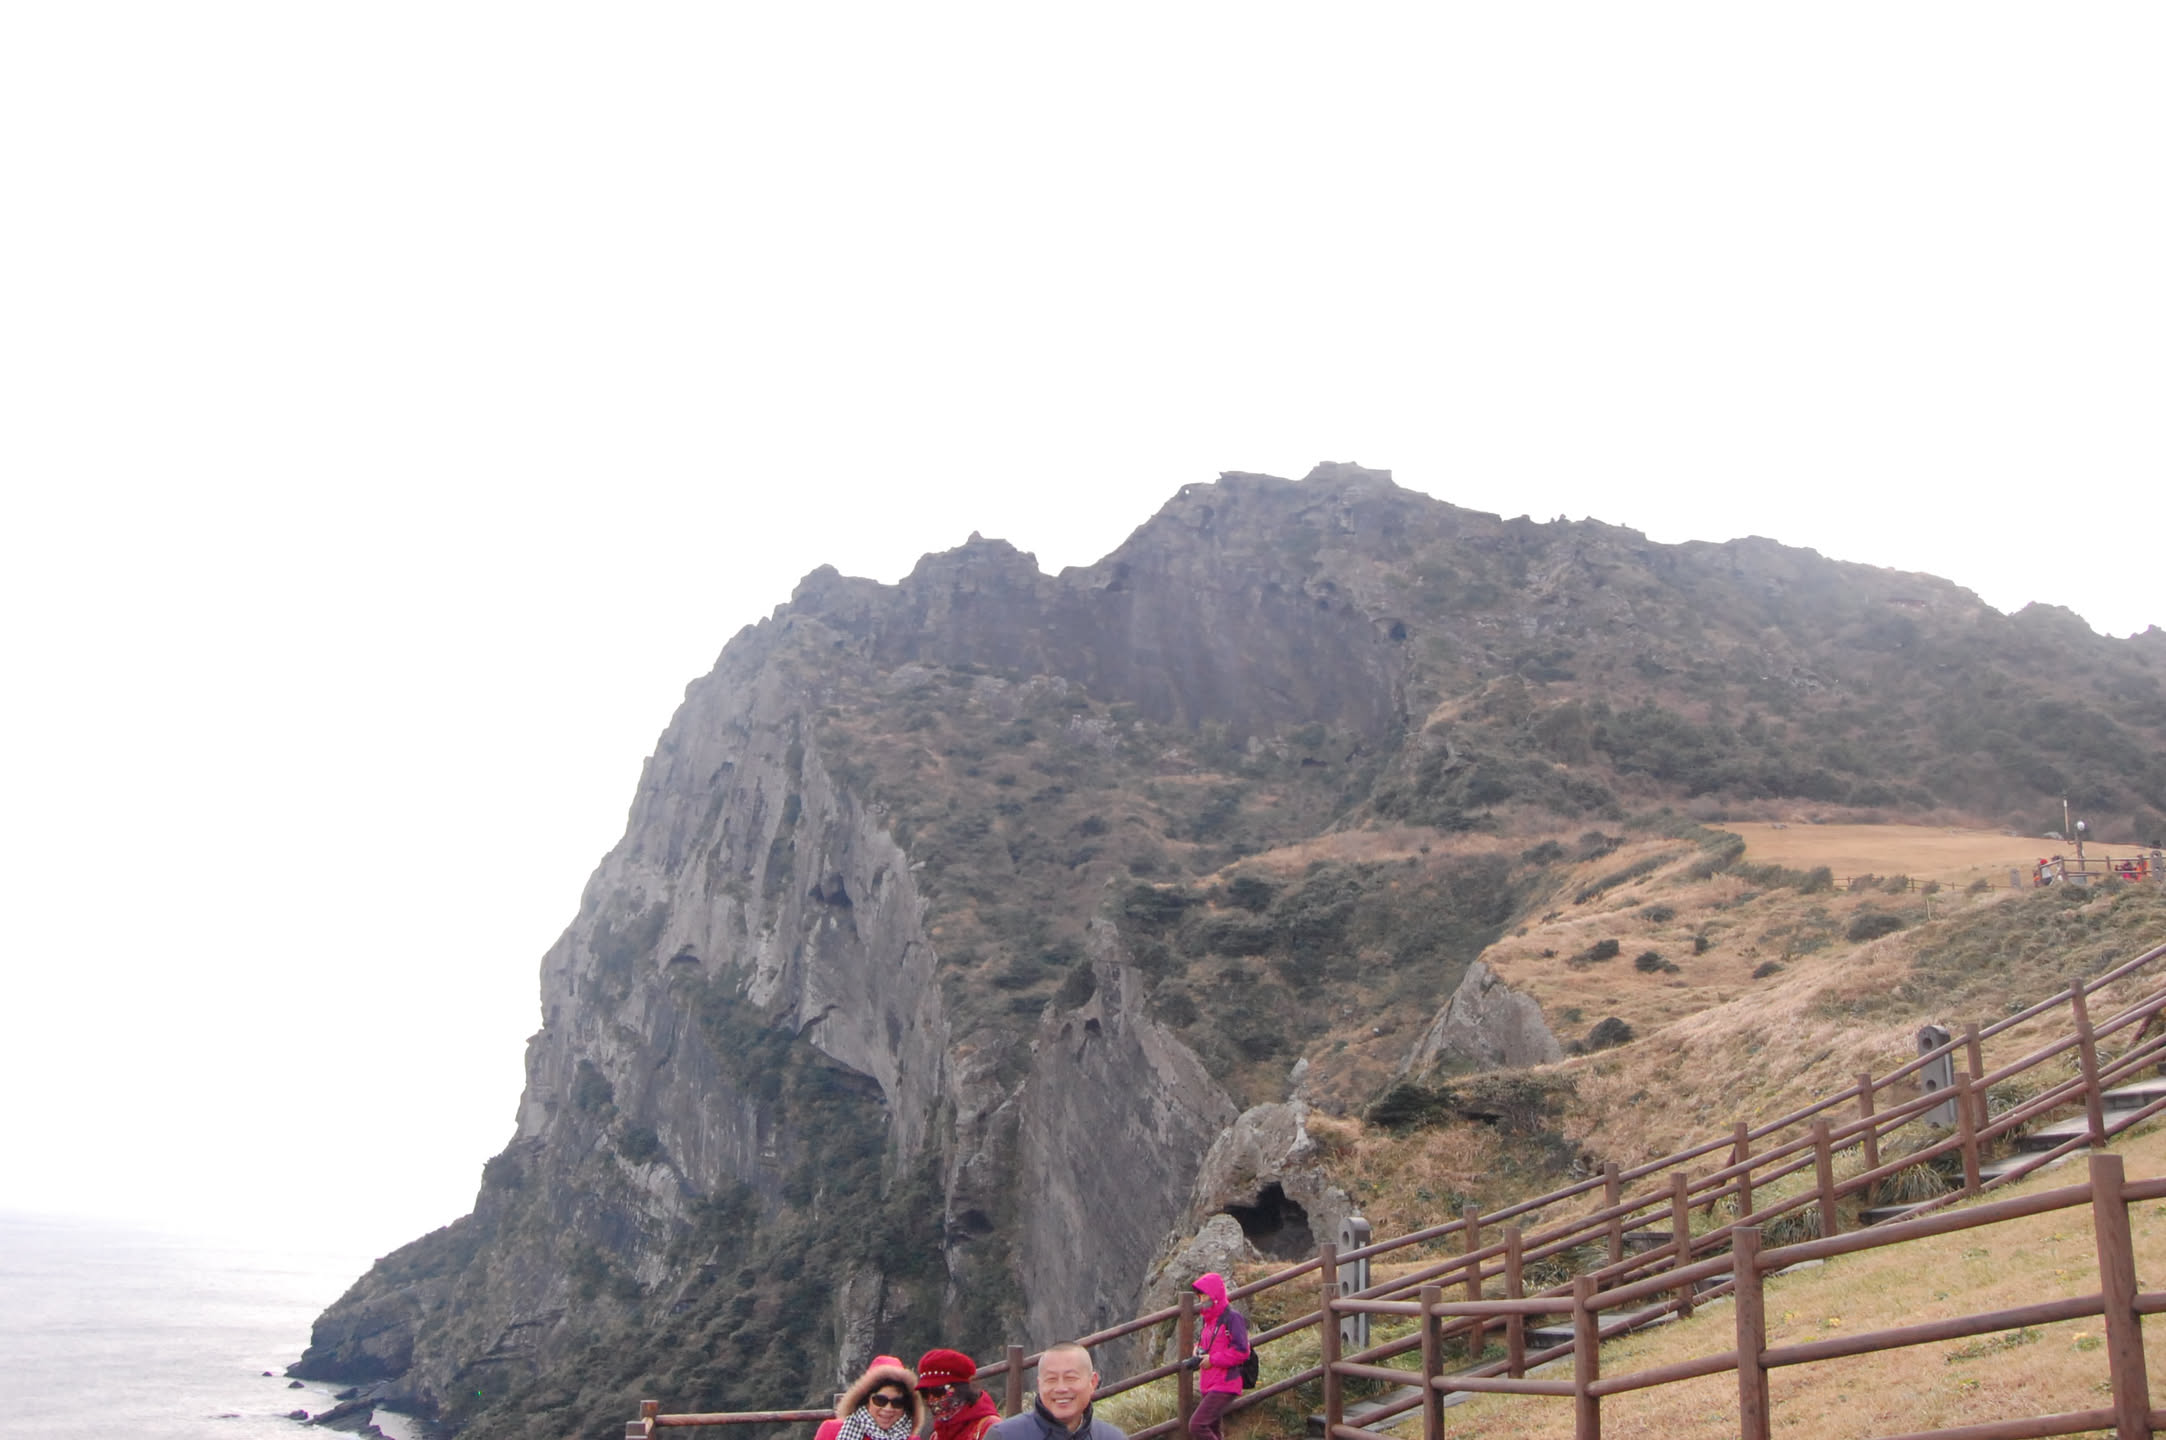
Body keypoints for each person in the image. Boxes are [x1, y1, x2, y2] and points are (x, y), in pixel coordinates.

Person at [988, 1342, 1125, 1440]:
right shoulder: (1005, 1436)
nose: (1061, 1388)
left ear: (1092, 1382)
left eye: (1070, 1378)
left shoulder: (1112, 1437)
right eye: (1051, 1379)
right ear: (1039, 1385)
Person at [1186, 1273, 1250, 1440]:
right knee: (1213, 1429)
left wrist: (1212, 1359)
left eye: (1204, 1295)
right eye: (1199, 1296)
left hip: (1225, 1383)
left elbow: (1242, 1351)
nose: (1201, 1300)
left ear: (1214, 1294)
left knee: (1197, 1425)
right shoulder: (1208, 1320)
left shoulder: (1232, 1318)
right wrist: (1197, 1350)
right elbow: (1209, 1344)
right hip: (1209, 1382)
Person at [818, 1355, 923, 1440]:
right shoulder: (833, 1431)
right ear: (865, 1399)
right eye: (880, 1400)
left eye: (897, 1402)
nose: (888, 1408)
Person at [917, 1348, 1002, 1440]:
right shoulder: (935, 1435)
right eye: (924, 1393)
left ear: (963, 1388)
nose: (931, 1399)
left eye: (938, 1391)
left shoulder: (989, 1428)